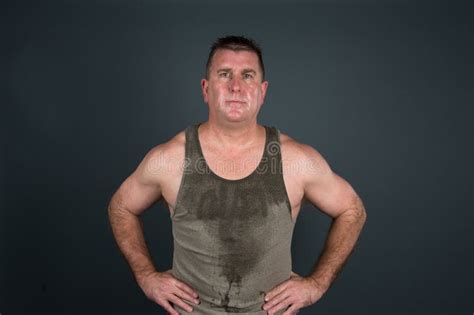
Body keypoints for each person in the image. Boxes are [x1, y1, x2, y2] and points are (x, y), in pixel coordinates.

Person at [107, 35, 367, 315]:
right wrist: (146, 276)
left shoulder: (295, 160)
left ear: (262, 91)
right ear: (206, 89)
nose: (236, 87)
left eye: (247, 76)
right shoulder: (170, 159)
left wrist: (316, 284)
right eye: (224, 74)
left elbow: (352, 210)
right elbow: (121, 207)